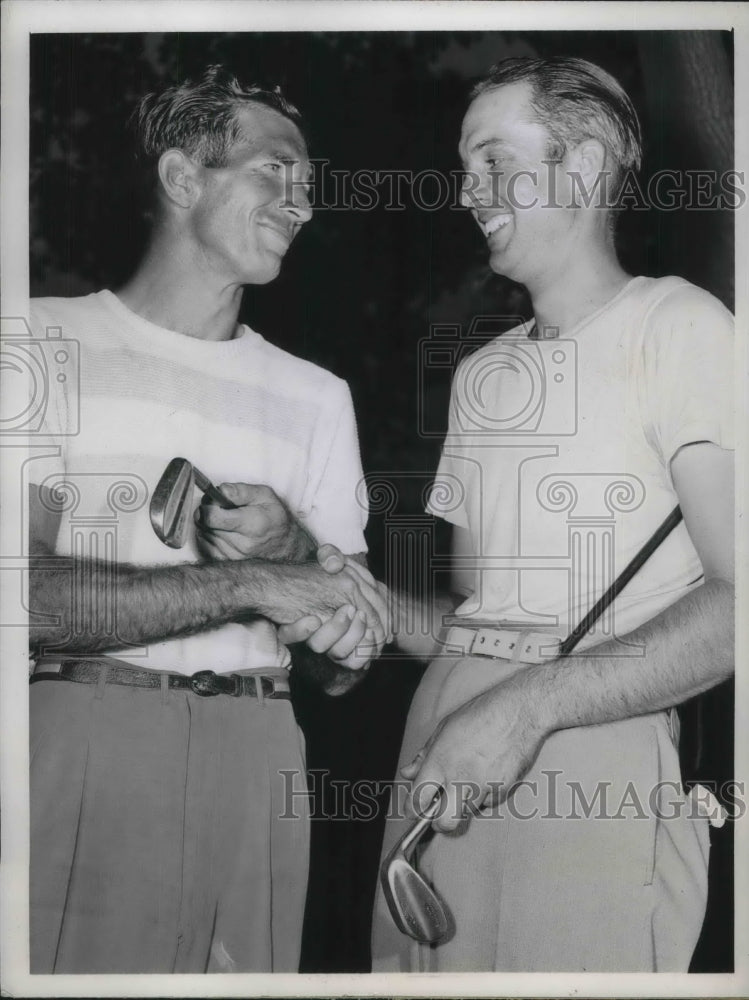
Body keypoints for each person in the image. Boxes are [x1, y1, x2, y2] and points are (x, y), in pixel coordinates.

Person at [367, 57, 734, 972]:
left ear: (583, 167)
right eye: (463, 167)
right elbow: (473, 628)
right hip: (440, 761)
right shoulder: (479, 374)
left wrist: (522, 714)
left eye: (494, 161)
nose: (466, 192)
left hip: (581, 758)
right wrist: (351, 611)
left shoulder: (679, 326)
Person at [26, 65, 388, 974]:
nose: (301, 205)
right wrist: (257, 581)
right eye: (276, 171)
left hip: (262, 750)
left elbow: (341, 671)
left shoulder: (317, 397)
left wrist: (304, 563)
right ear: (184, 178)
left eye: (308, 187)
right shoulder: (36, 339)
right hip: (84, 729)